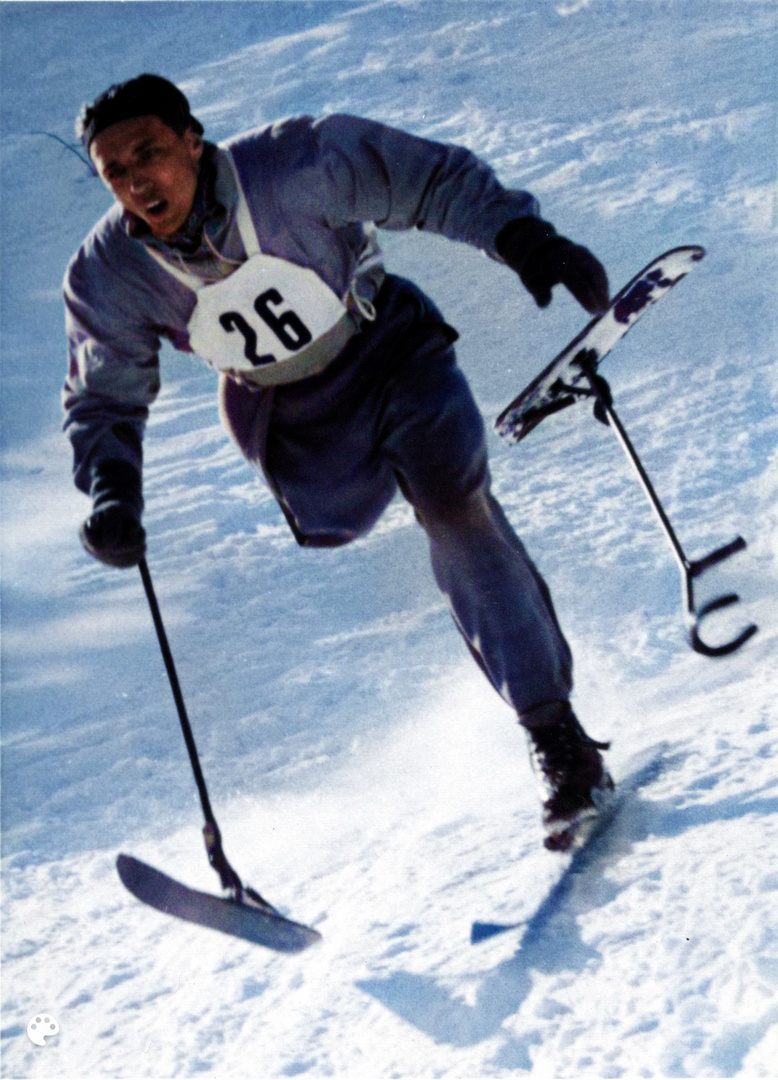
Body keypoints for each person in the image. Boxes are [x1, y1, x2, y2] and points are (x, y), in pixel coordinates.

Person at [63, 74, 614, 853]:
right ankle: (420, 501)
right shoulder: (107, 273)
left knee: (452, 504)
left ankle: (559, 740)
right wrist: (112, 491)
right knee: (339, 524)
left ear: (193, 139)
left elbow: (431, 179)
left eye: (149, 153)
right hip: (287, 418)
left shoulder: (295, 164)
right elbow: (104, 395)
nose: (134, 182)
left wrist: (526, 240)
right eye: (113, 172)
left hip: (389, 351)